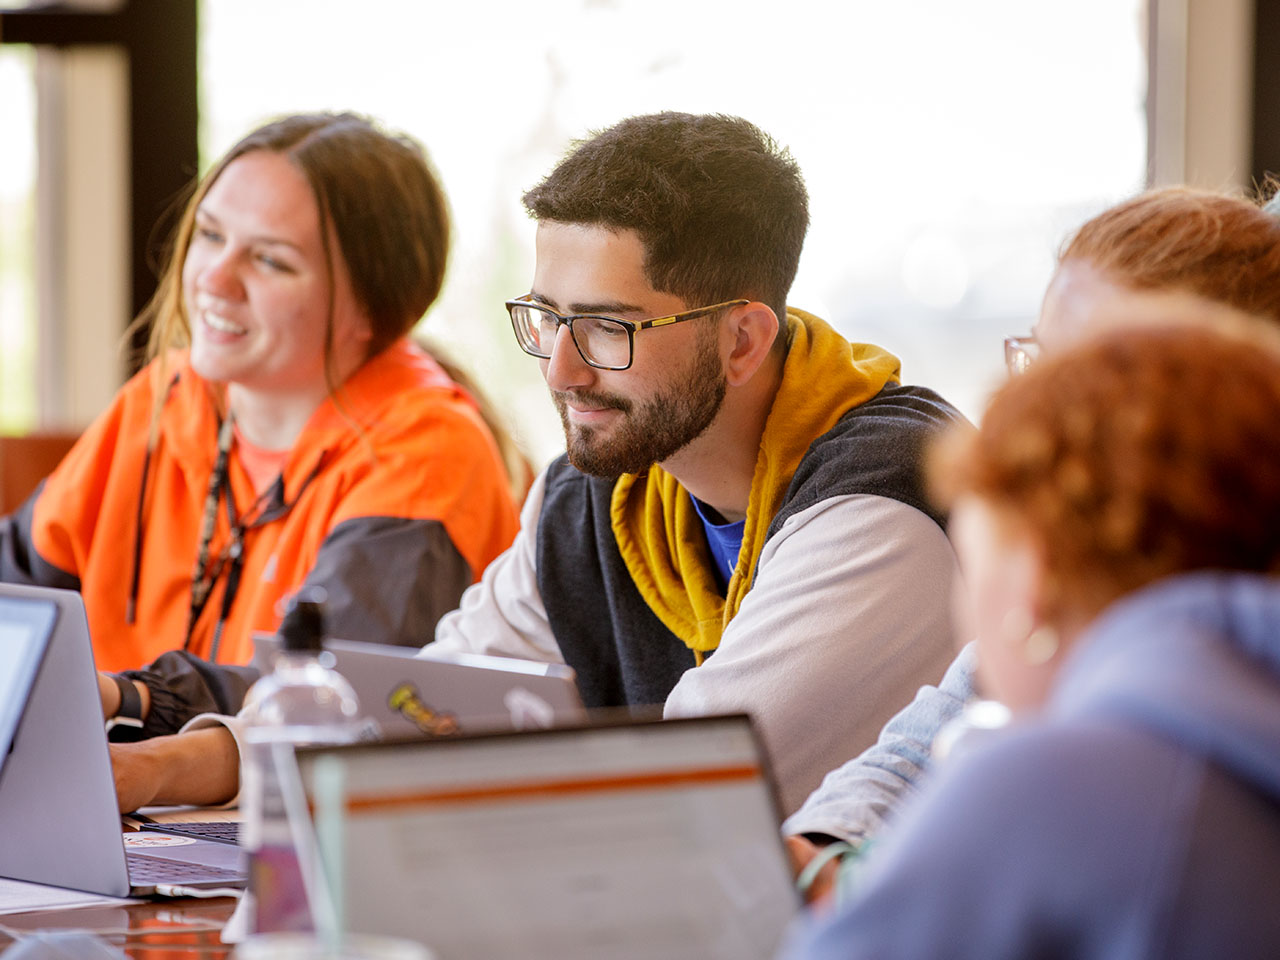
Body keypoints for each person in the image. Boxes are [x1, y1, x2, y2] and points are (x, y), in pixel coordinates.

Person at [108, 111, 963, 815]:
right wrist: (147, 773)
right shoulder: (606, 489)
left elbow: (691, 786)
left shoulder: (882, 502)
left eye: (605, 328)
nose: (559, 369)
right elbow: (417, 709)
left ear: (742, 339)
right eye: (547, 317)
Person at [782, 184, 1280, 869]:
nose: (1039, 412)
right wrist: (817, 853)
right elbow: (916, 752)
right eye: (1042, 362)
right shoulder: (1063, 562)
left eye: (1095, 383)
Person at [0, 113, 520, 734]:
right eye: (211, 235)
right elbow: (18, 595)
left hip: (293, 817)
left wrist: (126, 697)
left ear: (372, 310)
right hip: (135, 802)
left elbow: (320, 695)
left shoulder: (430, 451)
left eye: (270, 261)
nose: (214, 279)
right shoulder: (165, 396)